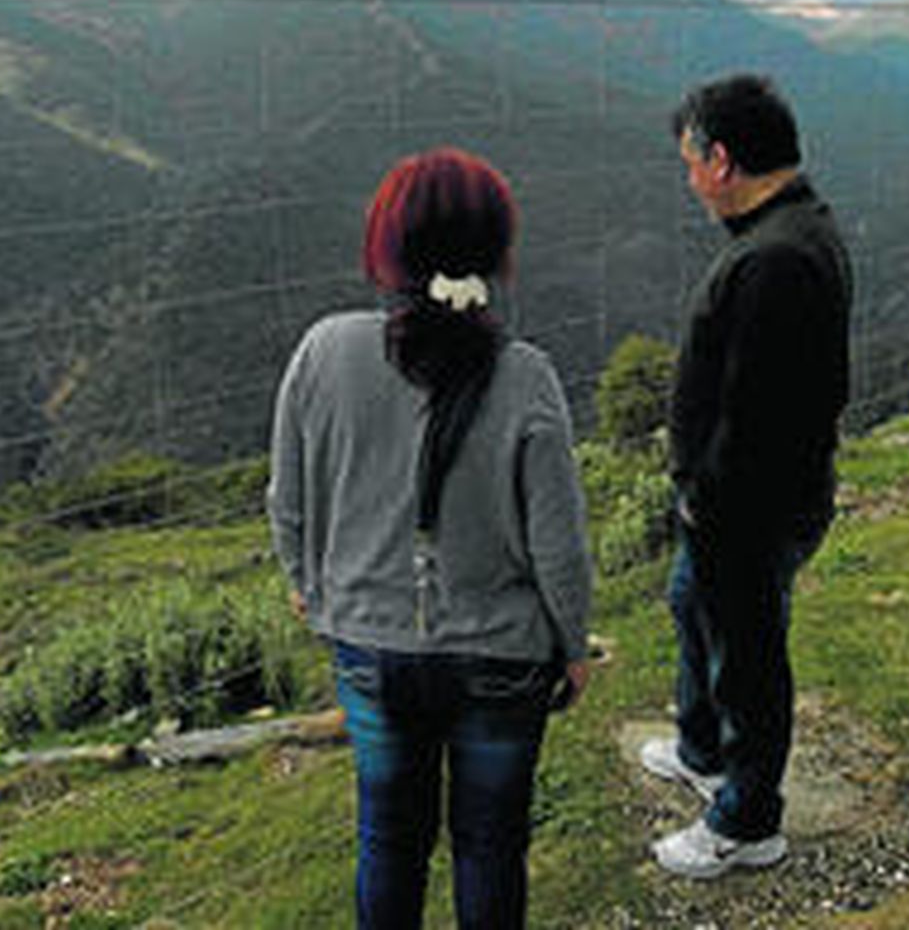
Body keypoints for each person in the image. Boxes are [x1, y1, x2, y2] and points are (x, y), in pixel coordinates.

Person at [268, 146, 593, 929]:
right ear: (495, 251)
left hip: (370, 644)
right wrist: (572, 643)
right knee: (489, 848)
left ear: (386, 242)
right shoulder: (526, 375)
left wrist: (311, 586)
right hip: (501, 655)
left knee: (388, 840)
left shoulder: (324, 350)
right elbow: (558, 540)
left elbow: (289, 498)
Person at [640, 73, 852, 879]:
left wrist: (705, 504)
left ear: (721, 160)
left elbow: (757, 420)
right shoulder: (793, 232)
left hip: (747, 512)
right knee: (694, 607)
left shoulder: (776, 261)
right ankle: (702, 750)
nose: (690, 181)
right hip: (747, 505)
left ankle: (748, 820)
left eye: (691, 163)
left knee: (750, 658)